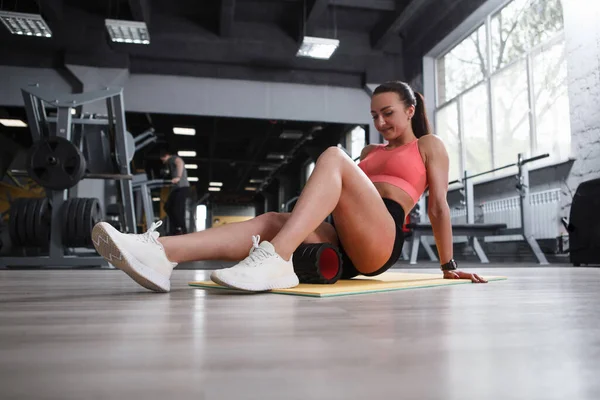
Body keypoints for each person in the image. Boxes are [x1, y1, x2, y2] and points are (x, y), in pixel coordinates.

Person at [92, 81, 486, 293]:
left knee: (332, 155)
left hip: (381, 239)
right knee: (270, 220)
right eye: (374, 115)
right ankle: (160, 254)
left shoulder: (428, 146)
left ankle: (276, 260)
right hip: (343, 234)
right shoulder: (369, 149)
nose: (380, 122)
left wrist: (448, 266)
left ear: (410, 110)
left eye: (388, 113)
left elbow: (438, 208)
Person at [159, 148, 190, 235]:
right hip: (176, 189)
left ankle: (183, 231)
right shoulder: (169, 163)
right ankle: (176, 228)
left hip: (182, 188)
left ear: (165, 156)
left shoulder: (172, 159)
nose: (162, 161)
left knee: (177, 210)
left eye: (162, 159)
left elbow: (180, 162)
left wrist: (178, 177)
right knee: (168, 207)